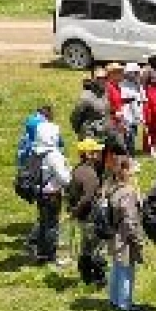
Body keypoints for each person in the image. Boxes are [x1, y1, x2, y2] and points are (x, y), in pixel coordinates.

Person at [104, 154, 149, 311]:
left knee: (117, 267)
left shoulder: (113, 187)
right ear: (125, 171)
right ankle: (125, 304)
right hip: (124, 237)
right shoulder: (128, 192)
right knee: (126, 270)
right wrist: (138, 239)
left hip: (115, 234)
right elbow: (130, 219)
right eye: (132, 169)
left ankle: (115, 299)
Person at [26, 114, 72, 265]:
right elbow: (64, 179)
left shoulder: (36, 150)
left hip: (39, 192)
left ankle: (40, 251)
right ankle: (50, 255)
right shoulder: (53, 154)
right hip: (52, 194)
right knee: (52, 225)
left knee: (43, 222)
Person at [65, 138, 107, 286]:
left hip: (84, 216)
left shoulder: (78, 169)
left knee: (86, 247)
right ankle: (99, 279)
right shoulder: (89, 174)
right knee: (97, 248)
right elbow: (87, 197)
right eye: (96, 152)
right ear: (88, 154)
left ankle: (86, 276)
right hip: (91, 216)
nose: (99, 153)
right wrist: (75, 212)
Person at [117, 62, 147, 152]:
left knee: (133, 135)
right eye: (134, 73)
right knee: (128, 137)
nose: (136, 75)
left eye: (137, 73)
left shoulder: (138, 85)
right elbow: (121, 99)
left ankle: (131, 156)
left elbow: (143, 99)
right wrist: (131, 99)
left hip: (135, 115)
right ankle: (128, 157)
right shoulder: (122, 84)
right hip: (126, 116)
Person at [70, 76, 110, 141]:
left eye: (105, 79)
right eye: (100, 79)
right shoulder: (86, 97)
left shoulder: (104, 95)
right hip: (89, 136)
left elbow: (106, 114)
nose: (104, 82)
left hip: (103, 135)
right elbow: (74, 117)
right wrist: (81, 130)